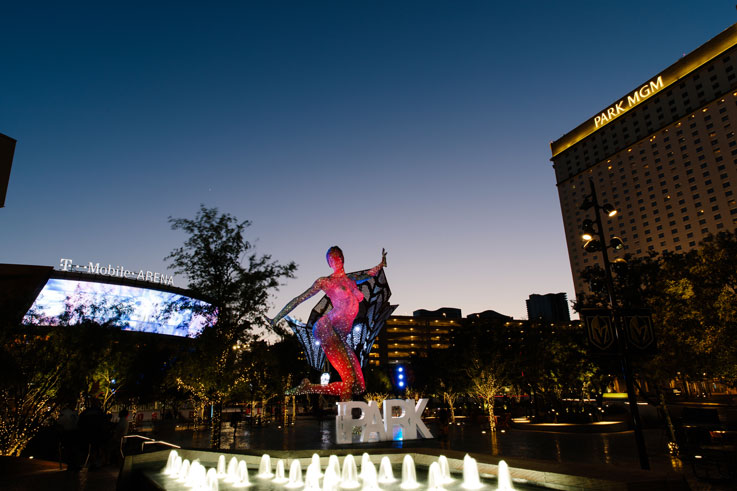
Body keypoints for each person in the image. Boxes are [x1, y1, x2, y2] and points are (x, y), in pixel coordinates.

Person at [270, 246, 386, 401]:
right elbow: (299, 299)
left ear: (342, 258)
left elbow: (369, 273)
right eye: (331, 258)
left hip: (340, 337)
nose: (335, 260)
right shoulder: (326, 281)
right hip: (327, 328)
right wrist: (276, 318)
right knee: (349, 380)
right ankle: (346, 416)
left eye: (337, 256)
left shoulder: (351, 279)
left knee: (358, 386)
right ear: (329, 263)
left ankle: (309, 388)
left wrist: (381, 264)